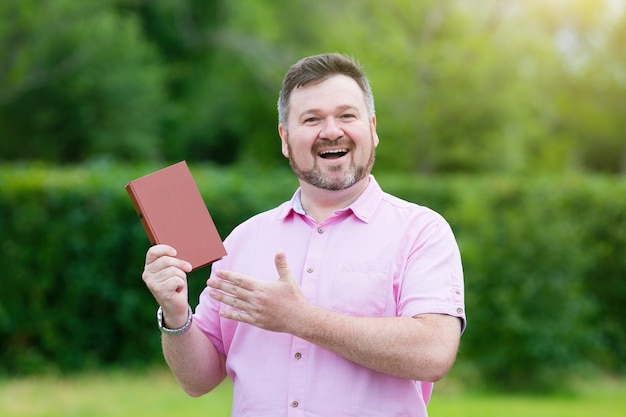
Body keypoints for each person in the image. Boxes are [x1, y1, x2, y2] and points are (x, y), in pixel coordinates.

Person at [142, 53, 466, 417]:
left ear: (372, 128)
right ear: (285, 138)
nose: (331, 131)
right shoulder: (242, 241)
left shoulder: (421, 232)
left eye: (346, 115)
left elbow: (433, 353)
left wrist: (300, 319)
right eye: (312, 119)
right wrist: (175, 313)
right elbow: (197, 380)